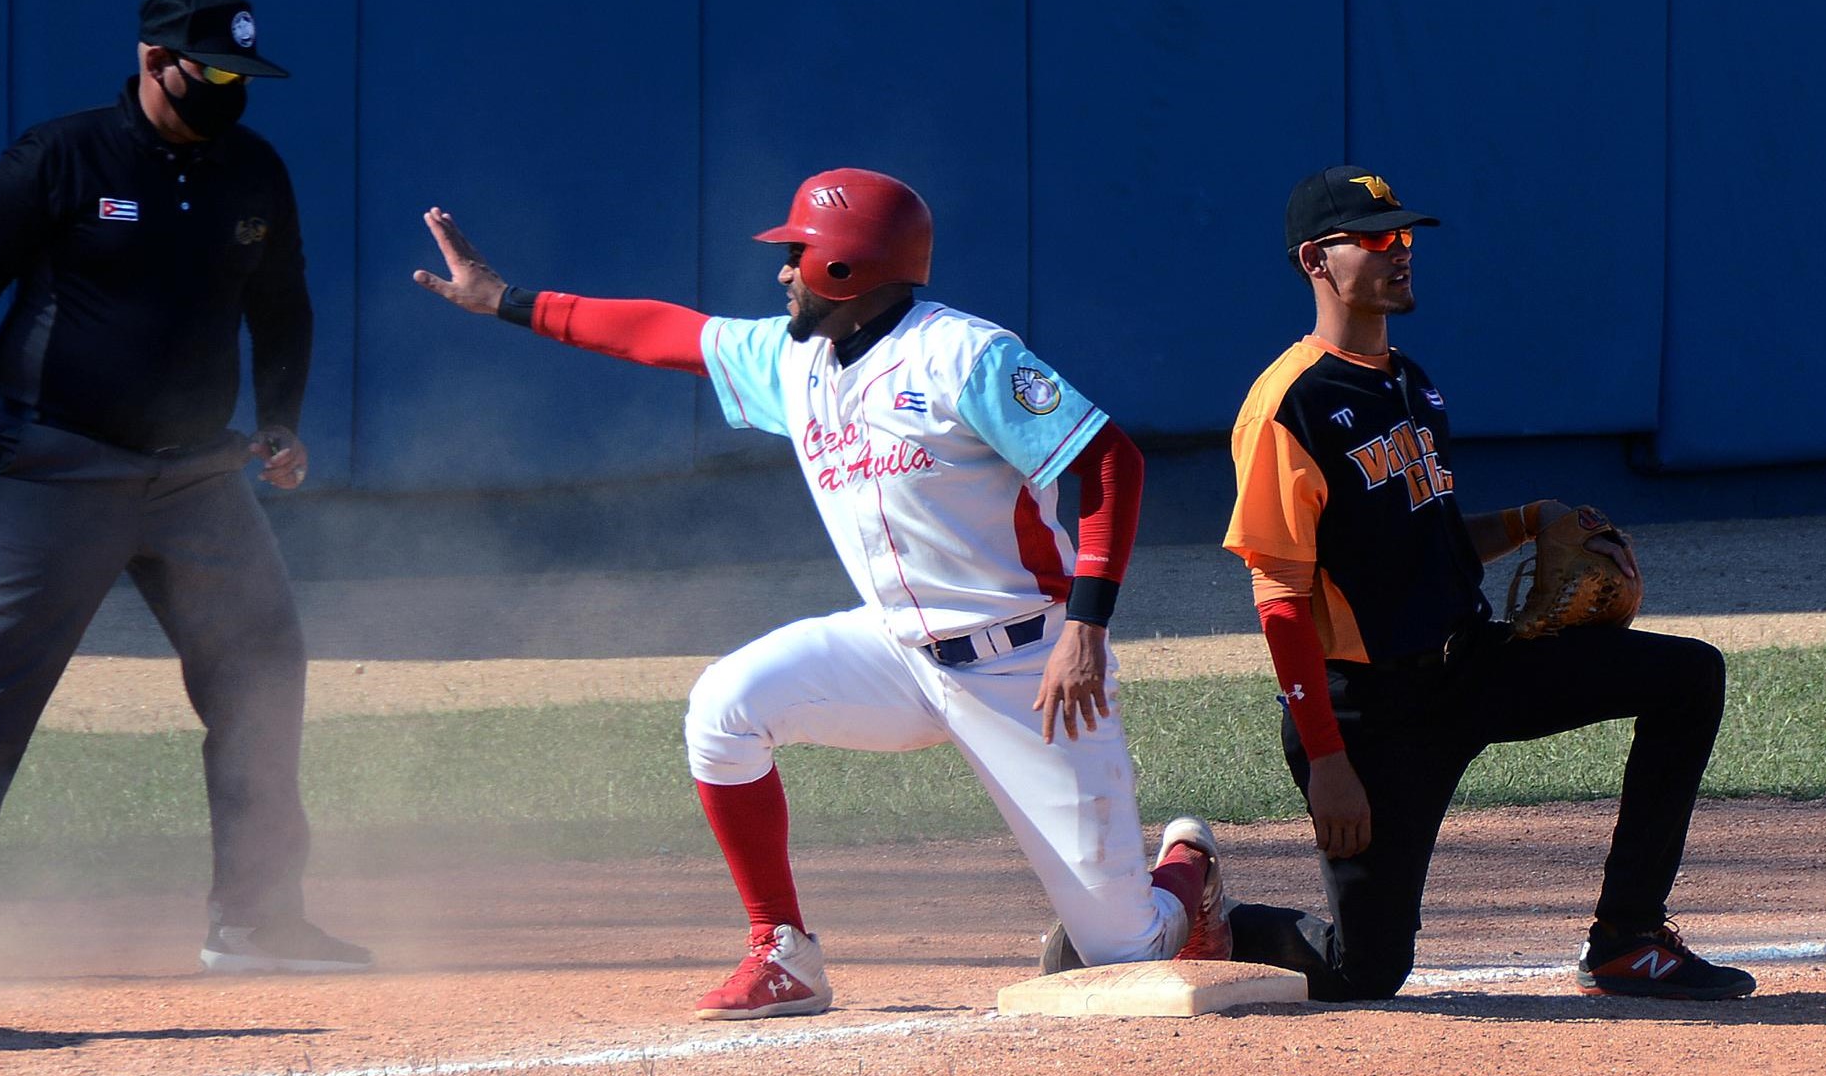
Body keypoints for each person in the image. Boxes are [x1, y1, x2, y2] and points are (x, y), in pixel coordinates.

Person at [412, 168, 1231, 1020]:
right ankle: (784, 950)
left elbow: (1109, 461)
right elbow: (662, 333)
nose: (781, 271)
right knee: (723, 706)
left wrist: (1086, 627)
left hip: (1028, 663)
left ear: (846, 268)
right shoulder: (791, 358)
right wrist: (507, 299)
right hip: (895, 651)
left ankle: (1189, 865)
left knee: (1122, 952)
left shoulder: (964, 354)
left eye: (796, 254)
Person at [0, 0, 369, 980]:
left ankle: (255, 922)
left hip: (201, 472)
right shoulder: (62, 157)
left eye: (244, 74)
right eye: (212, 70)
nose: (230, 91)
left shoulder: (253, 169)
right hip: (60, 464)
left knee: (263, 669)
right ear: (154, 59)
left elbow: (283, 306)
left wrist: (282, 420)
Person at [1216, 164, 1752, 1001]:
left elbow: (1424, 542)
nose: (1401, 253)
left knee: (1687, 676)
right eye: (1376, 238)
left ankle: (1625, 939)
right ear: (1314, 259)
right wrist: (1326, 760)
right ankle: (1199, 913)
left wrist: (1528, 517)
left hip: (1470, 668)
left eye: (1404, 237)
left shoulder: (1410, 382)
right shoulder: (1291, 405)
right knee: (1365, 970)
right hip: (1369, 716)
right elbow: (1280, 599)